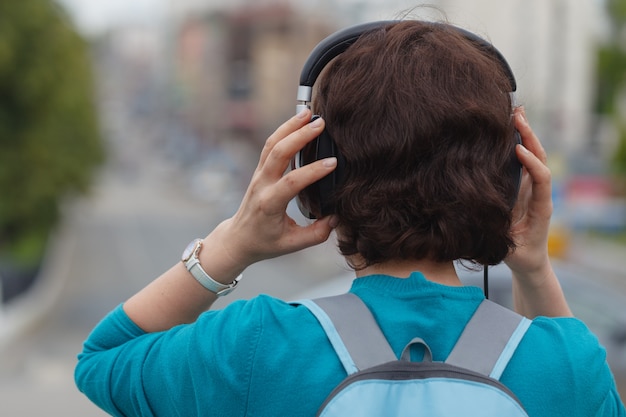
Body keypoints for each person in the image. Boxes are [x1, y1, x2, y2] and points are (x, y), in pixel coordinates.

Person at [75, 20, 625, 416]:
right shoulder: (570, 368)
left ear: (317, 179)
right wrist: (532, 266)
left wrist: (232, 245)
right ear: (508, 180)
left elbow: (101, 359)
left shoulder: (252, 347)